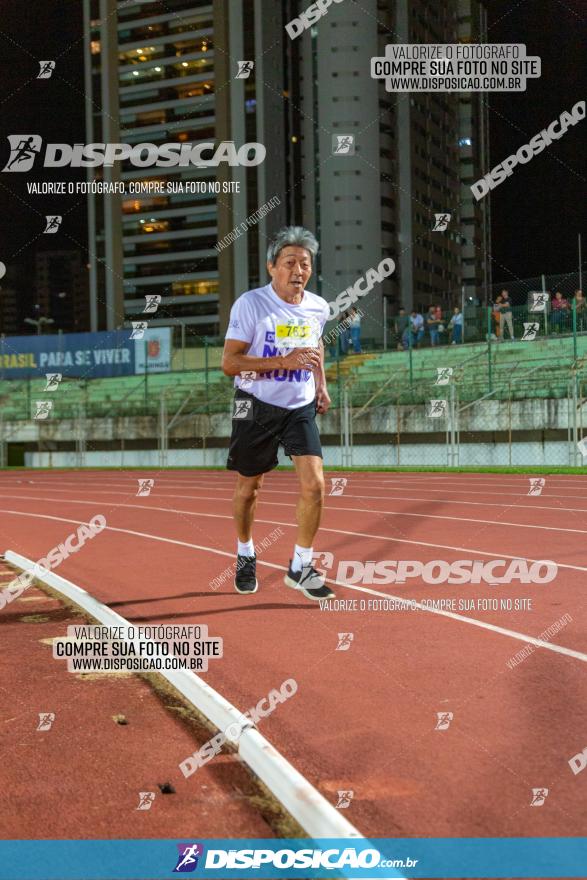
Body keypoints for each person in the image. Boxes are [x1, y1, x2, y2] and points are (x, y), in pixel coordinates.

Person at [222, 226, 335, 601]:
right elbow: (230, 362)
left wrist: (321, 383)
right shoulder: (251, 304)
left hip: (298, 405)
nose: (298, 271)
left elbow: (315, 342)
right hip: (254, 403)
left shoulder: (318, 306)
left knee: (315, 484)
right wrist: (282, 361)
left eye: (305, 264)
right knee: (250, 487)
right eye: (290, 263)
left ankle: (300, 565)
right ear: (272, 267)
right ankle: (245, 552)